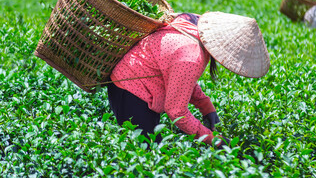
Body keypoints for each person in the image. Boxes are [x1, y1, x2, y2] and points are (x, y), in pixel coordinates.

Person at [108, 11, 270, 148]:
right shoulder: (191, 56)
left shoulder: (192, 23)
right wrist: (213, 140)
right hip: (131, 91)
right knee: (147, 151)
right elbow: (176, 112)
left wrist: (206, 107)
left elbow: (180, 78)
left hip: (134, 84)